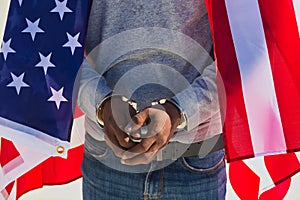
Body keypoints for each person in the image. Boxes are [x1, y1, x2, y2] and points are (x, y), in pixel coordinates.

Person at [78, 0, 227, 199]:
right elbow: (54, 39)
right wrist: (100, 102)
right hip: (108, 156)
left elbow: (245, 45)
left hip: (195, 156)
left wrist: (183, 109)